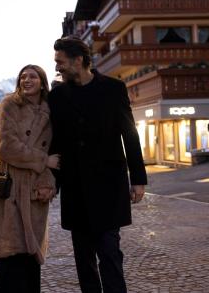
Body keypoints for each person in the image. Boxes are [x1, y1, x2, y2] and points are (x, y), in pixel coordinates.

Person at [48, 36, 148, 293]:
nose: (57, 67)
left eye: (60, 61)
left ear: (78, 60)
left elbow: (130, 133)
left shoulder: (114, 88)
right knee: (84, 260)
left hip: (109, 187)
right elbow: (53, 142)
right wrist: (51, 182)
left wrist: (138, 178)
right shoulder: (57, 94)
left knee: (110, 253)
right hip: (75, 189)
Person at [0, 64, 60, 293]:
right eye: (23, 77)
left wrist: (49, 180)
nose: (27, 80)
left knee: (31, 252)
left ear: (42, 81)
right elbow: (5, 146)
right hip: (10, 184)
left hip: (35, 187)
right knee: (11, 252)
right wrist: (43, 160)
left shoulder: (50, 110)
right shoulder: (10, 104)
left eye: (32, 76)